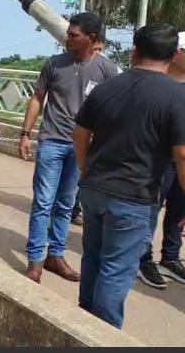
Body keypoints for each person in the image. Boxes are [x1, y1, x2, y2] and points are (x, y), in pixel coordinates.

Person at [74, 23, 185, 329]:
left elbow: (81, 133)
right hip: (134, 198)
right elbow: (183, 154)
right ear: (175, 55)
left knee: (93, 258)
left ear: (135, 50)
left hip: (94, 188)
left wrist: (86, 169)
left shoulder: (108, 87)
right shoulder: (176, 97)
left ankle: (80, 322)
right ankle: (103, 335)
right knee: (116, 269)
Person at [19, 13, 120, 284]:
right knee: (43, 202)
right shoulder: (54, 64)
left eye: (74, 35)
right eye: (69, 33)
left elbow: (112, 113)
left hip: (82, 148)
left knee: (65, 205)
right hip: (51, 141)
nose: (68, 38)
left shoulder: (107, 71)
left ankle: (56, 255)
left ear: (93, 38)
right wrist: (26, 134)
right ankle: (36, 260)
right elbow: (38, 98)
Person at [137, 31, 185, 289]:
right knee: (151, 209)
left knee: (179, 208)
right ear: (176, 54)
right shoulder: (157, 82)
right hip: (160, 158)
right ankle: (144, 258)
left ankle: (171, 257)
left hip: (183, 160)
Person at [70, 30, 119, 227]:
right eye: (95, 49)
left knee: (84, 175)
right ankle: (70, 209)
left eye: (101, 49)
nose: (98, 53)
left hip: (97, 134)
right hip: (77, 131)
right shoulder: (77, 69)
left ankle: (76, 209)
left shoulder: (109, 72)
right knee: (75, 174)